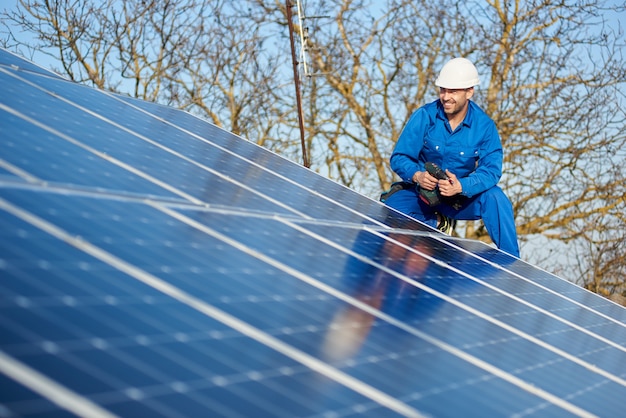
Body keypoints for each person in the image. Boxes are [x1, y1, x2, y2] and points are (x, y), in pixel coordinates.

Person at [382, 57, 520, 257]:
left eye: (453, 91)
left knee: (495, 198)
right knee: (390, 209)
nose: (446, 97)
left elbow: (491, 170)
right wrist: (417, 176)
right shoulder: (425, 116)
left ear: (469, 91)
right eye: (443, 90)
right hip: (423, 195)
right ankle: (437, 223)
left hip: (459, 200)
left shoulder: (485, 126)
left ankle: (513, 262)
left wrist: (462, 186)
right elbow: (399, 157)